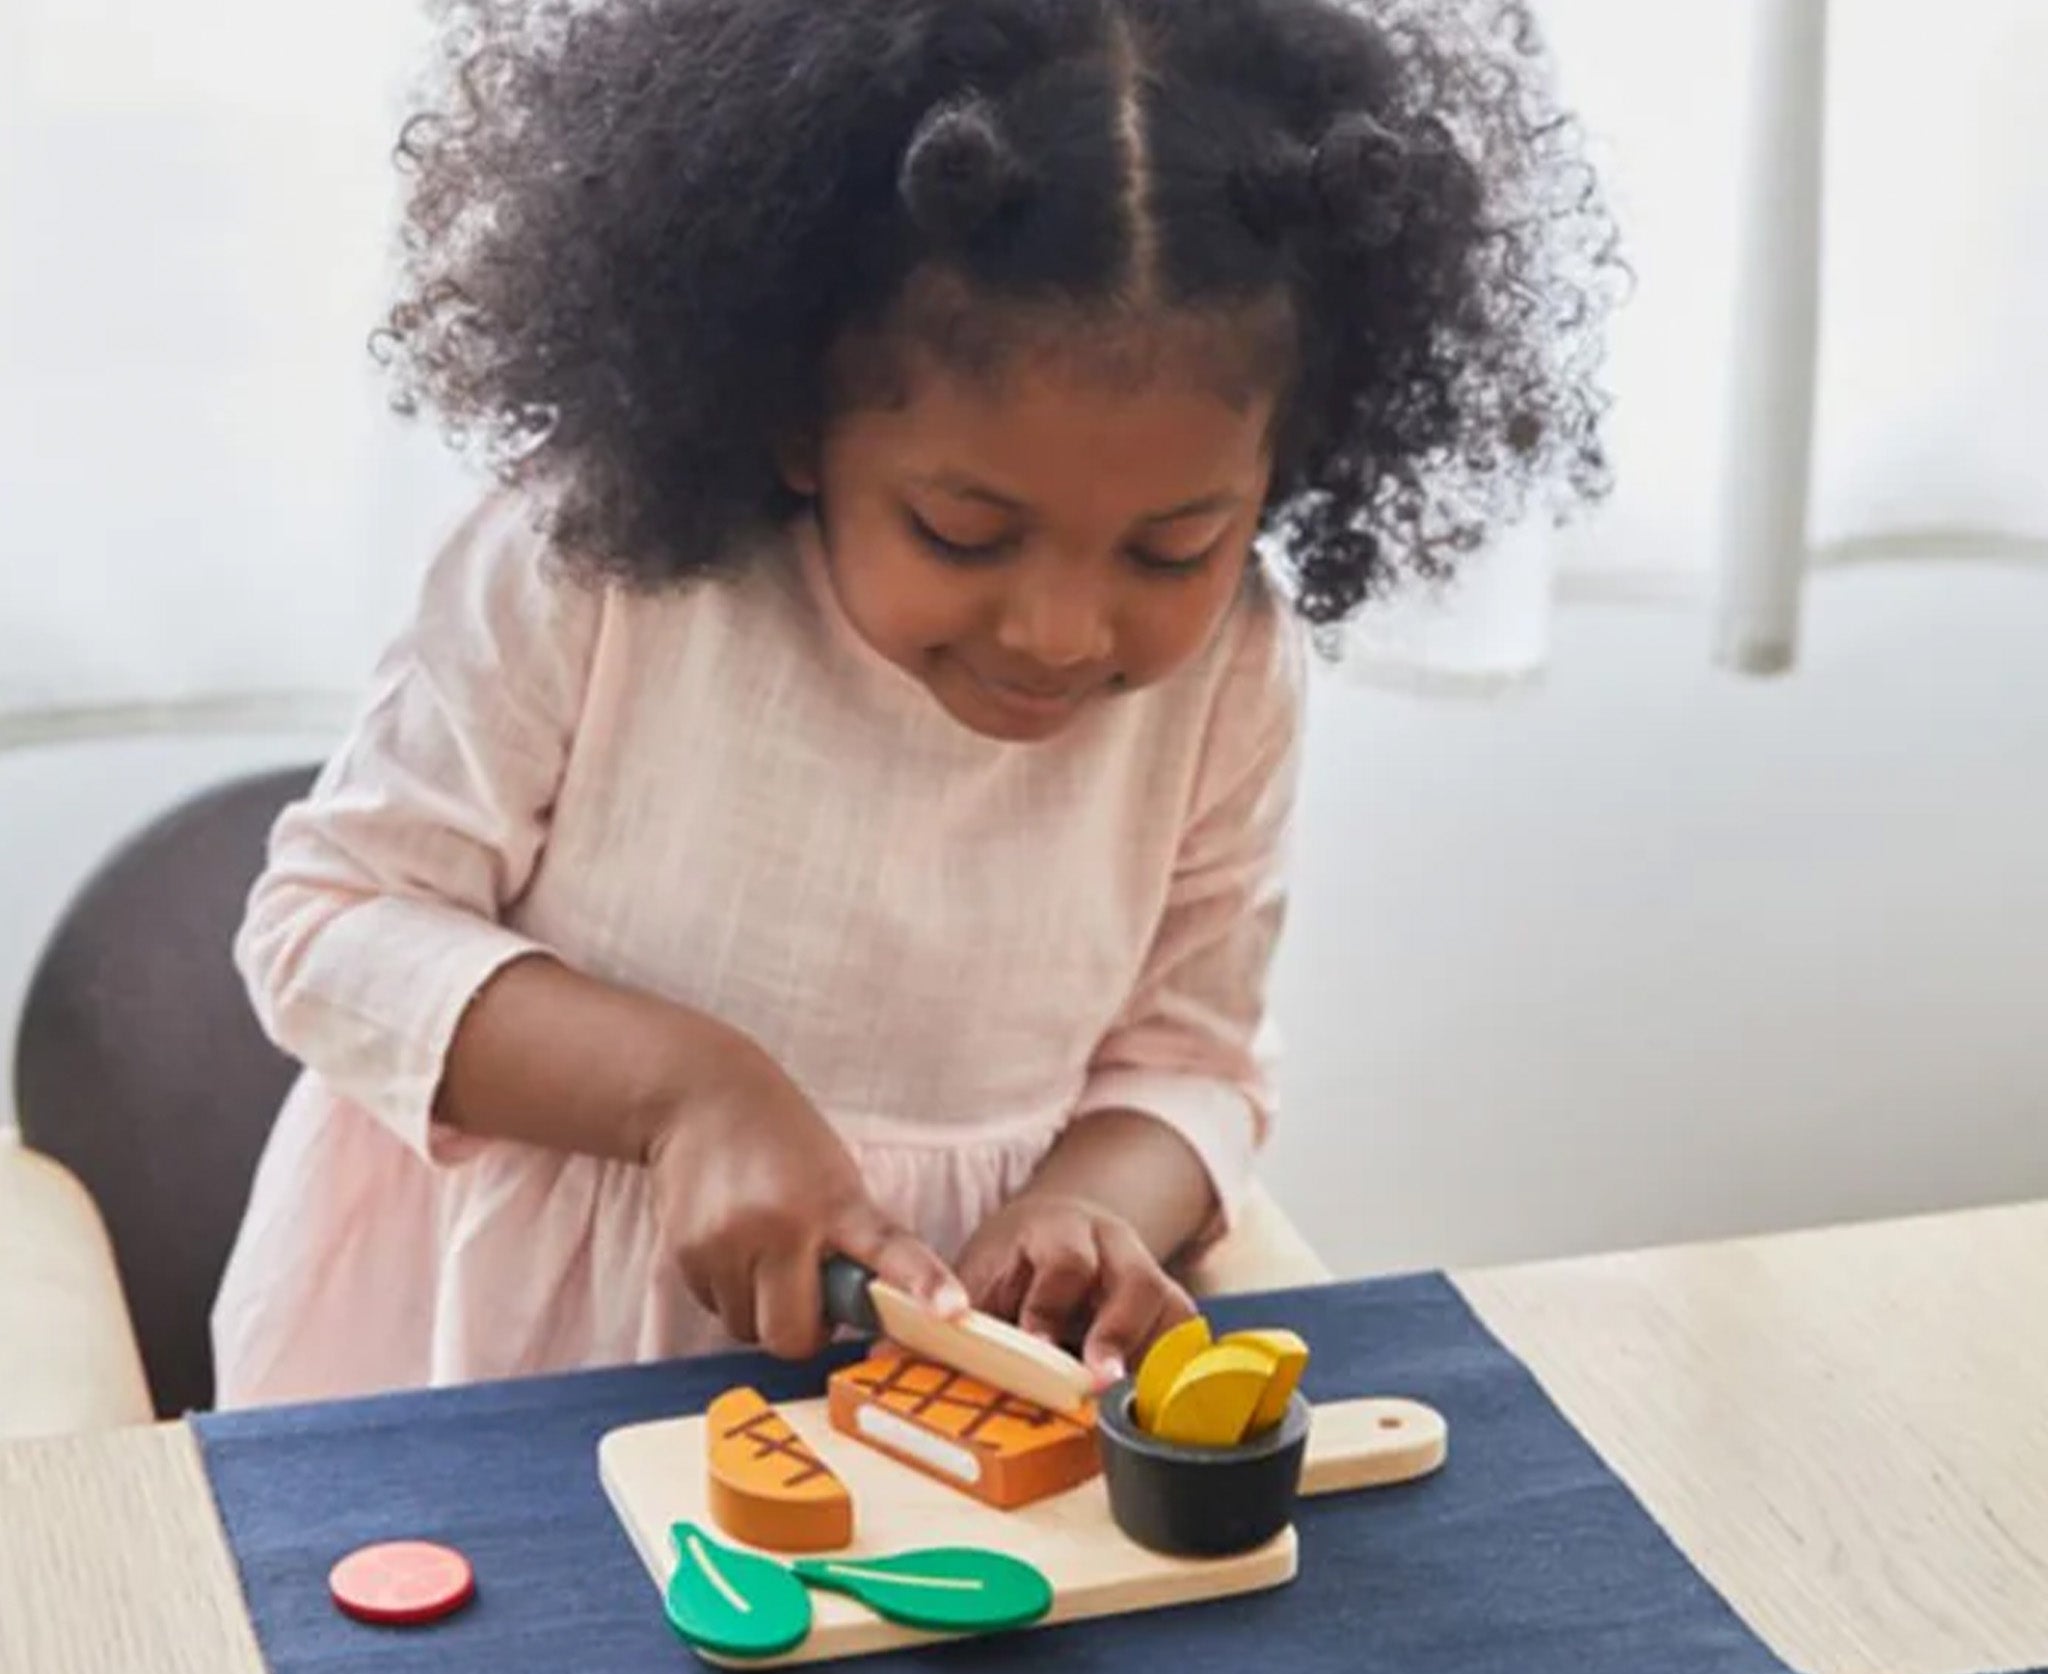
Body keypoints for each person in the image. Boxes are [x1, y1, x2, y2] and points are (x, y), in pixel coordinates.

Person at [211, 0, 1621, 1406]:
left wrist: (1100, 1210)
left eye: (1171, 548)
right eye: (962, 531)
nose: (1062, 631)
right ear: (795, 412)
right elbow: (325, 930)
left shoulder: (1229, 671)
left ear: (1285, 461)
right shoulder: (595, 577)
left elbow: (1192, 1066)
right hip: (493, 1380)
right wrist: (683, 1095)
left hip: (936, 1417)